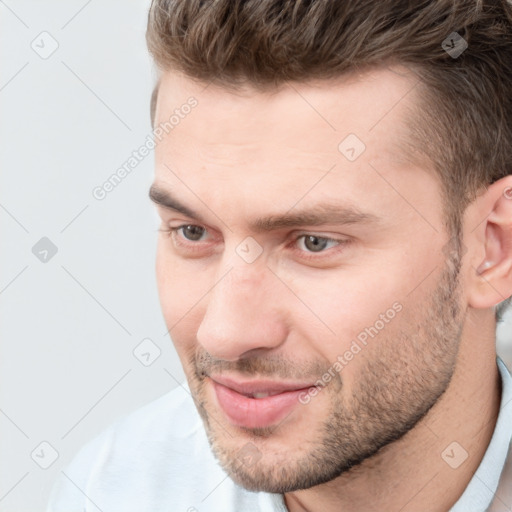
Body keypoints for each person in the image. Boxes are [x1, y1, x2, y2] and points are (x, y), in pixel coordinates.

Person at [48, 1, 512, 511]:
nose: (224, 334)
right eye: (193, 232)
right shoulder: (113, 490)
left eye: (314, 242)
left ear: (493, 247)